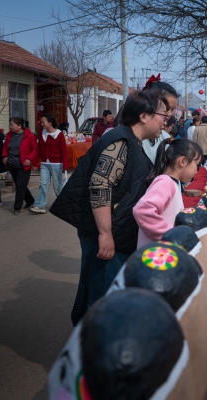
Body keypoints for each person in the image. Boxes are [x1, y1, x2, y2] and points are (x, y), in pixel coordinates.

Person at [50, 90, 168, 325]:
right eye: (162, 114)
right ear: (144, 116)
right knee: (102, 296)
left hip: (115, 230)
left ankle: (87, 344)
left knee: (96, 290)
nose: (165, 120)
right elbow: (100, 185)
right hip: (106, 232)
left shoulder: (132, 140)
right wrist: (104, 234)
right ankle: (91, 351)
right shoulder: (121, 140)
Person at [133, 138, 203, 248]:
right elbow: (142, 210)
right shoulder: (165, 183)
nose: (197, 170)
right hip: (156, 256)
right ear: (182, 161)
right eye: (196, 164)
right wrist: (170, 234)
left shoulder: (172, 182)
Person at [30, 113, 68, 214]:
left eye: (43, 122)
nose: (41, 123)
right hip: (44, 164)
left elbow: (64, 150)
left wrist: (65, 165)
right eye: (41, 122)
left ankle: (63, 204)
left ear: (50, 122)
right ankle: (39, 205)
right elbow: (39, 150)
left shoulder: (59, 134)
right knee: (43, 184)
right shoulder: (43, 133)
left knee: (57, 185)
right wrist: (33, 162)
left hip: (56, 164)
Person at [2, 117, 37, 215]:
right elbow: (5, 147)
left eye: (12, 125)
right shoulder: (9, 135)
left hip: (24, 165)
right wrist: (5, 156)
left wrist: (29, 159)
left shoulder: (29, 136)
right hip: (12, 164)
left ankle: (17, 207)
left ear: (19, 126)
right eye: (10, 125)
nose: (10, 127)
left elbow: (35, 149)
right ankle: (30, 200)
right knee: (20, 184)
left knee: (20, 185)